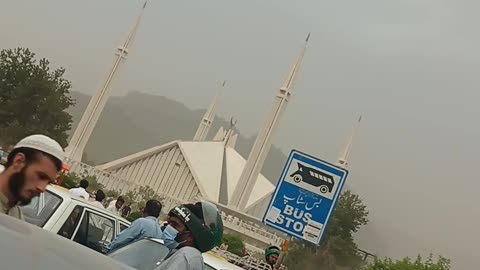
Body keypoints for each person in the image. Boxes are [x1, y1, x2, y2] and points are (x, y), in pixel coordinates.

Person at [0, 135, 64, 219]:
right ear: (18, 161)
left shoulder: (16, 214)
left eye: (48, 182)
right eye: (41, 176)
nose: (42, 189)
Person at [155, 201, 223, 270]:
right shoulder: (186, 255)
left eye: (175, 224)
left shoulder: (185, 256)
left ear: (190, 236)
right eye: (169, 223)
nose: (168, 227)